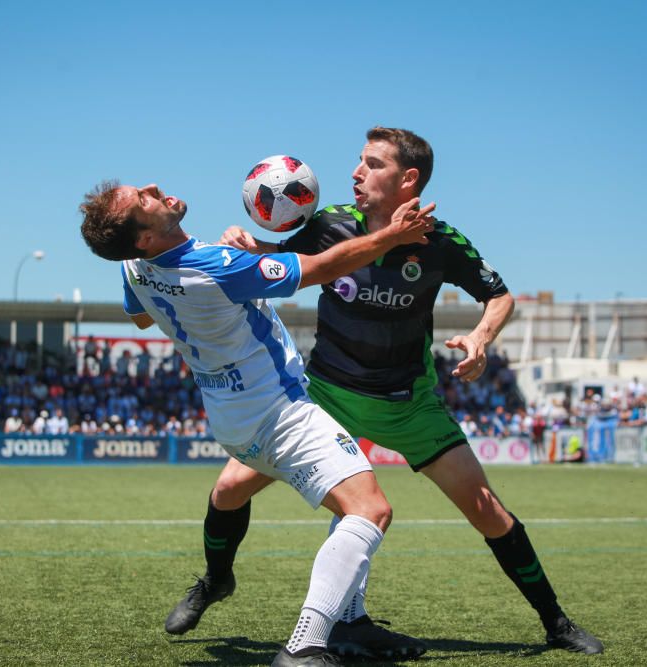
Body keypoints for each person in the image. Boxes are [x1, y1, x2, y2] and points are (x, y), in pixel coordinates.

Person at [192, 127, 603, 657]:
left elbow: (499, 297)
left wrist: (480, 338)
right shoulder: (327, 226)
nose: (356, 173)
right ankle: (213, 581)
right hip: (326, 397)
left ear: (408, 179)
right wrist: (246, 245)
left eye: (372, 164)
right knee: (229, 489)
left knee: (488, 512)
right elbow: (275, 263)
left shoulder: (442, 243)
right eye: (358, 163)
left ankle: (557, 623)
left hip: (408, 404)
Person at [79, 176, 433, 666]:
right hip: (280, 412)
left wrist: (221, 291)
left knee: (230, 493)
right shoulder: (213, 266)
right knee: (369, 510)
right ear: (144, 236)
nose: (154, 186)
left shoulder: (134, 267)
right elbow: (320, 268)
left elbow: (142, 318)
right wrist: (391, 236)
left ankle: (238, 586)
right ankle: (305, 645)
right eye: (143, 198)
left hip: (230, 419)